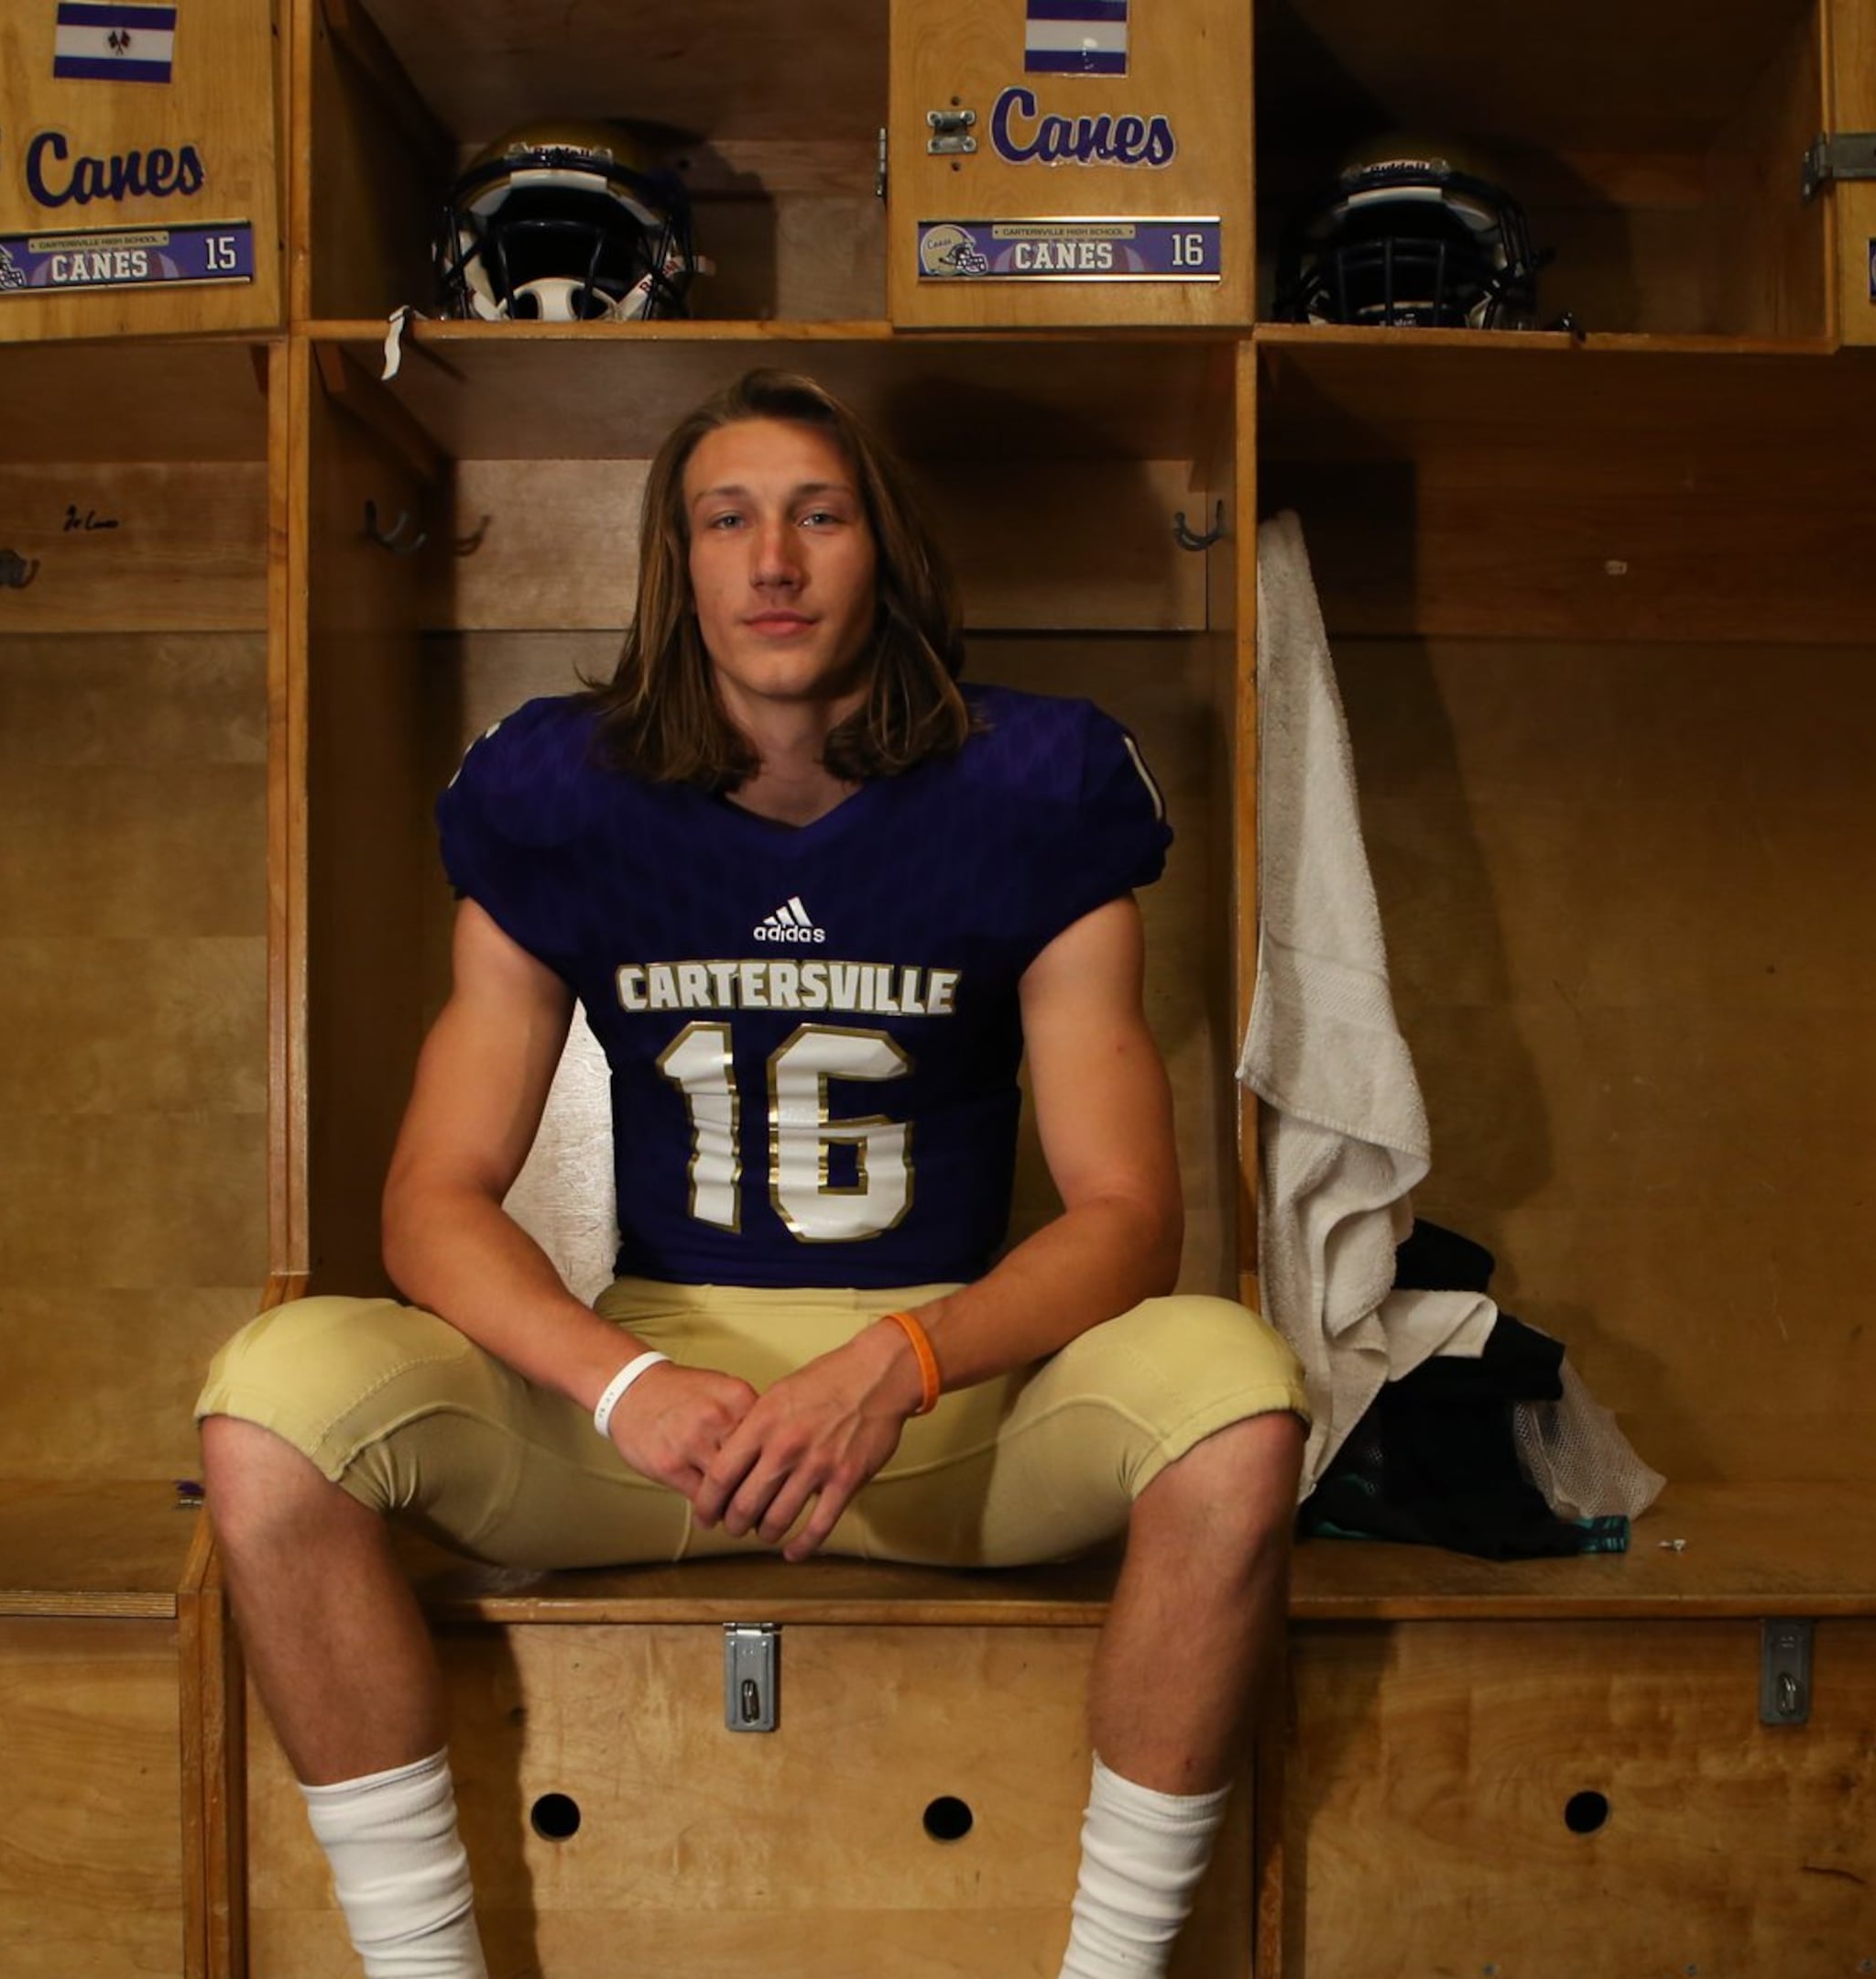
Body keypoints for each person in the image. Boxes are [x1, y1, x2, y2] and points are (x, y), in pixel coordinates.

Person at [194, 368, 1309, 1979]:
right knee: (270, 1406)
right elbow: (431, 1195)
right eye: (729, 518)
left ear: (885, 553)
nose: (773, 560)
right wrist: (625, 1382)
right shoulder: (563, 793)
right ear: (679, 561)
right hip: (660, 1416)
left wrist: (902, 1360)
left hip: (944, 1423)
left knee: (1236, 1397)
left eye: (818, 514)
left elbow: (1132, 1217)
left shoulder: (1029, 789)